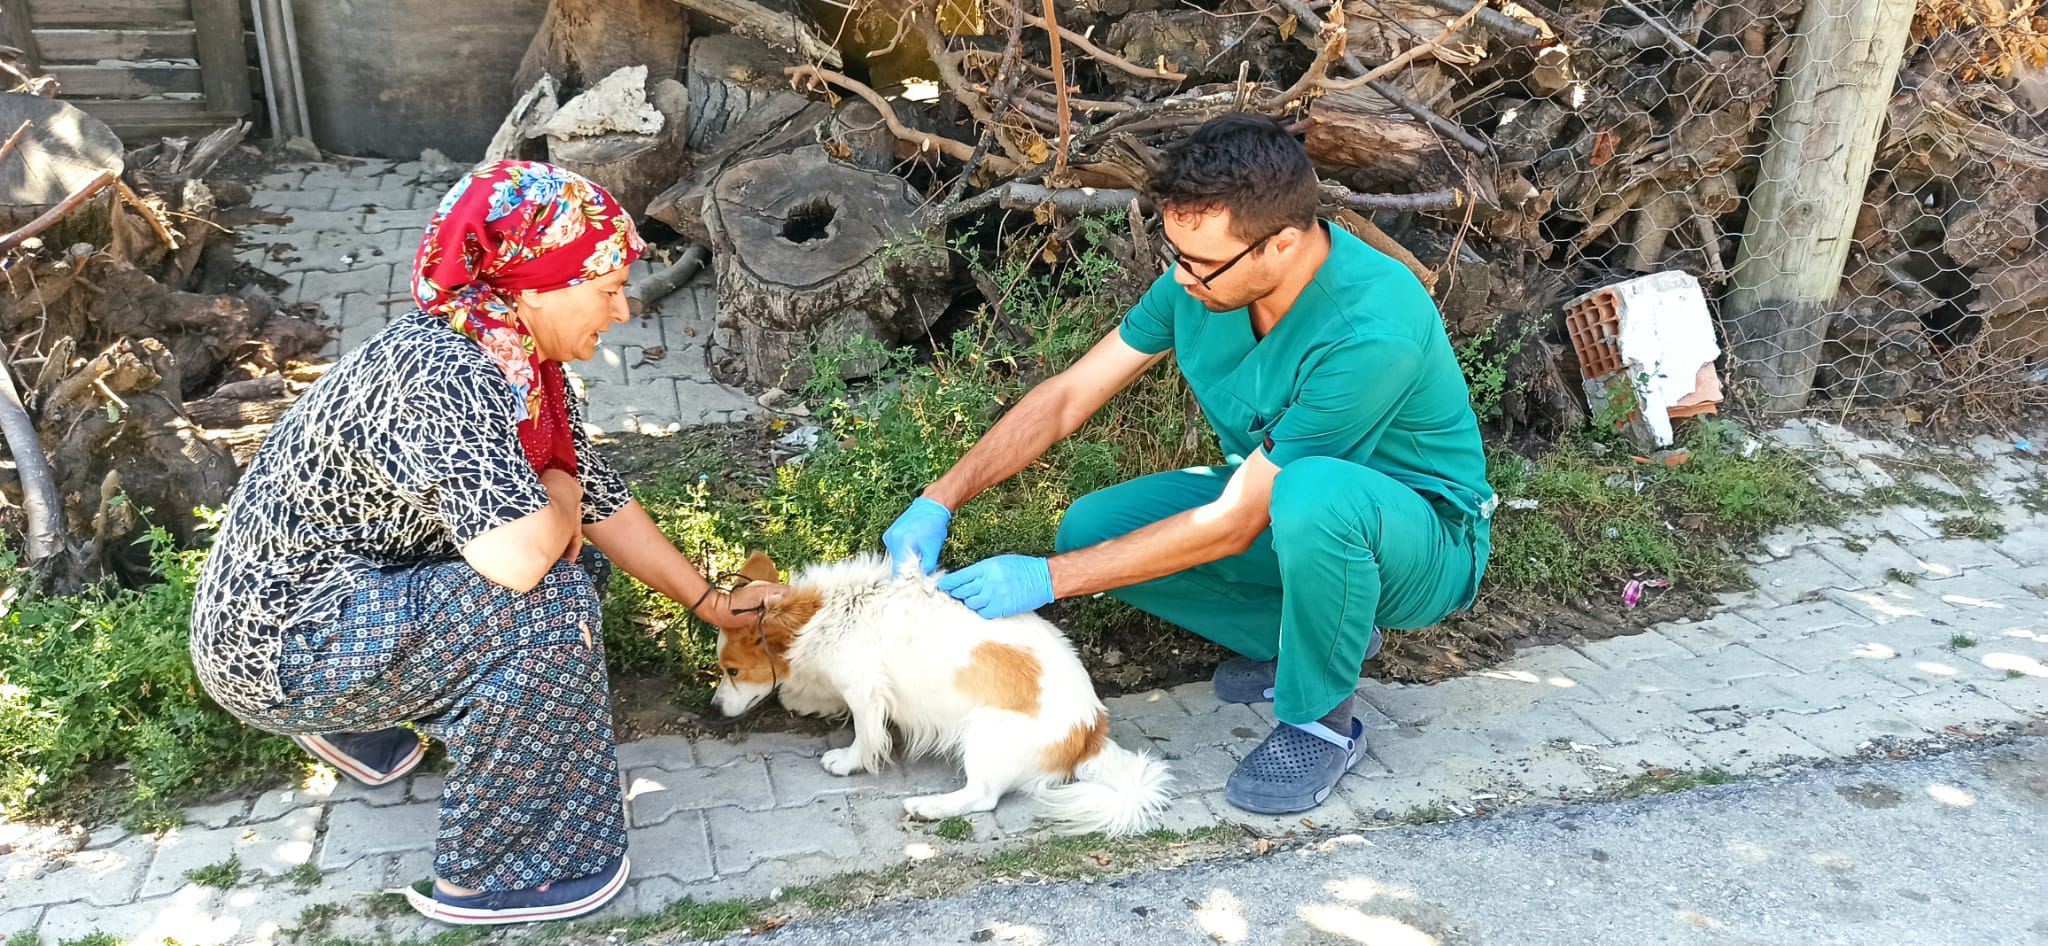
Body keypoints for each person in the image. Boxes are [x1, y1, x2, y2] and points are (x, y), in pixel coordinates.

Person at [188, 161, 783, 926]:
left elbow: (592, 495)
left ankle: (361, 725)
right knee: (547, 601)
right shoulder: (451, 372)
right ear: (534, 281)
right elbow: (523, 555)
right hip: (276, 646)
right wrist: (558, 495)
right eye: (604, 287)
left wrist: (710, 602)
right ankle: (510, 873)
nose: (624, 310)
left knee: (573, 557)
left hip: (326, 602)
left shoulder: (508, 351)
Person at [882, 114, 1495, 816]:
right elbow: (1067, 397)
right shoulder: (1201, 280)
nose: (1181, 276)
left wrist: (1047, 582)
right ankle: (1315, 636)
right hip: (1282, 503)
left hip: (1423, 544)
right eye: (1176, 253)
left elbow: (1235, 523)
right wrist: (941, 496)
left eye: (1200, 262)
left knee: (1315, 493)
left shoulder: (1371, 329)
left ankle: (1320, 725)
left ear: (1284, 244)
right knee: (1091, 528)